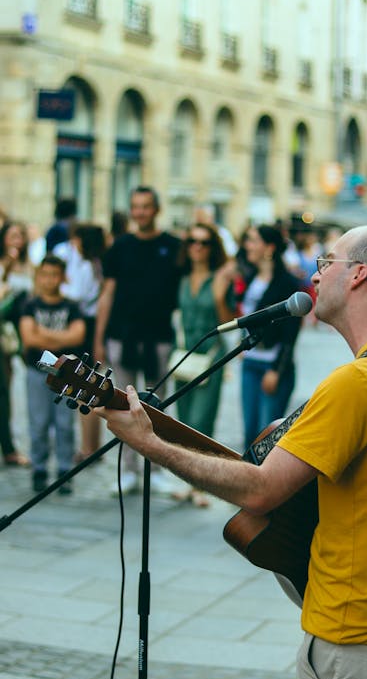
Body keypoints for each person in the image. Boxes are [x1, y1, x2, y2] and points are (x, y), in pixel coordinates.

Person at [96, 224, 367, 679]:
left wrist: (150, 444)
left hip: (356, 637)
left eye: (327, 261)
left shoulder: (359, 383)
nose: (315, 272)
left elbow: (261, 492)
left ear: (358, 275)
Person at [93, 185, 182, 495]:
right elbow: (108, 293)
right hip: (123, 335)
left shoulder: (173, 246)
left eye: (146, 206)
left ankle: (156, 468)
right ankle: (128, 469)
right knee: (122, 406)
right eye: (136, 206)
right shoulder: (120, 247)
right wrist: (100, 338)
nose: (140, 212)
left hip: (158, 338)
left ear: (156, 209)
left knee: (157, 406)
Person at [172, 222, 236, 506]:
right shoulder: (182, 279)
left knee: (201, 422)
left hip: (211, 357)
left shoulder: (220, 279)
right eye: (192, 242)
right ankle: (189, 483)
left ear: (213, 248)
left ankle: (201, 486)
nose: (197, 247)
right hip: (184, 356)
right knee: (184, 423)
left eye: (204, 242)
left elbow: (228, 322)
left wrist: (221, 296)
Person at [19, 255, 85, 494]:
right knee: (38, 422)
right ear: (38, 276)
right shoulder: (29, 305)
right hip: (36, 371)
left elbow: (77, 336)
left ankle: (65, 471)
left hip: (66, 374)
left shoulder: (71, 306)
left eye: (55, 274)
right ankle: (39, 468)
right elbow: (28, 338)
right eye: (45, 275)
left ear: (63, 277)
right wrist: (60, 337)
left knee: (65, 423)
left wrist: (43, 334)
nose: (50, 280)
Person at [239, 224, 302, 449]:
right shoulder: (250, 278)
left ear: (269, 247)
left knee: (266, 438)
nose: (248, 245)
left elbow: (290, 335)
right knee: (248, 433)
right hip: (250, 363)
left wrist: (276, 370)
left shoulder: (287, 284)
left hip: (273, 368)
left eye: (253, 240)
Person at [54, 223, 106, 460]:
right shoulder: (97, 264)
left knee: (84, 387)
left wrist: (59, 285)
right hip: (92, 324)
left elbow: (77, 294)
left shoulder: (87, 265)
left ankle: (88, 447)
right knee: (91, 385)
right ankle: (92, 446)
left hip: (87, 325)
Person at [0, 220, 34, 467]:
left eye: (20, 236)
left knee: (7, 389)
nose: (17, 240)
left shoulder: (30, 267)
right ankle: (8, 447)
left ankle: (9, 445)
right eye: (12, 235)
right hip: (4, 332)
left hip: (18, 335)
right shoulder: (4, 265)